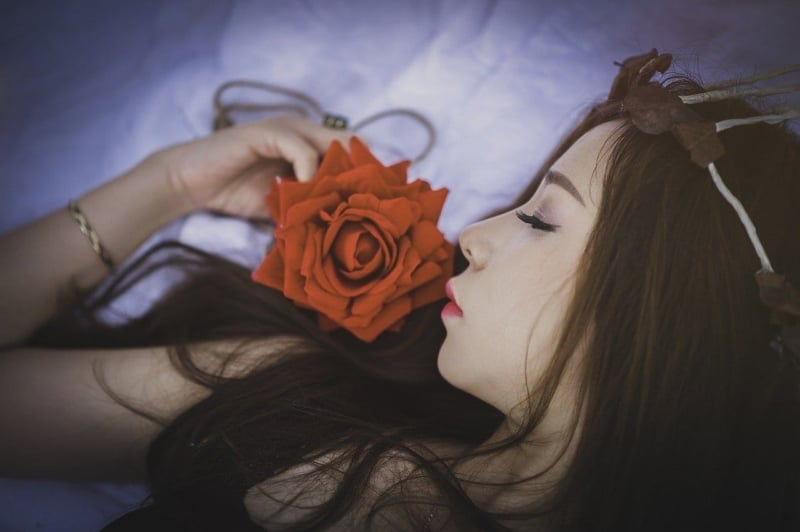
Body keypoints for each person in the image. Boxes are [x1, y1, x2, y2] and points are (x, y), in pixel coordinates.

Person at [1, 51, 799, 531]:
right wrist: (168, 181)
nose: (472, 236)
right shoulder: (293, 396)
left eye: (543, 220)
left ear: (664, 318)